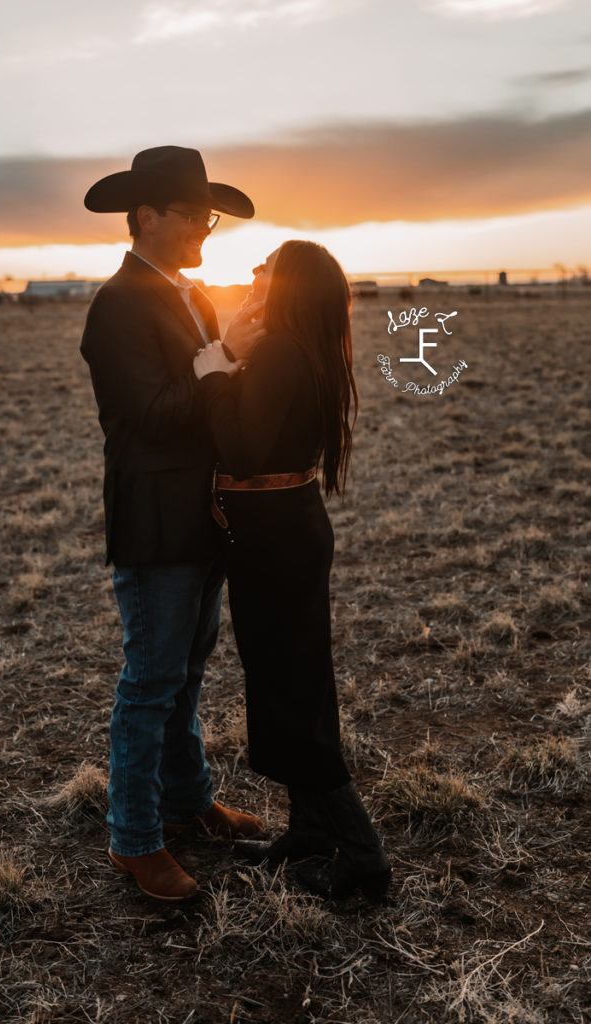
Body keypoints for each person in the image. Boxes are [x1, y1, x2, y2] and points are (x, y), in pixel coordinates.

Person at [80, 146, 266, 902]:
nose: (206, 230)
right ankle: (134, 840)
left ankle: (188, 805)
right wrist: (226, 359)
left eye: (208, 216)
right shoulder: (117, 304)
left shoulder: (189, 293)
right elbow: (151, 418)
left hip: (201, 513)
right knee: (151, 682)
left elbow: (210, 400)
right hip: (155, 522)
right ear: (149, 216)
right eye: (195, 216)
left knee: (186, 675)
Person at [192, 240, 391, 902]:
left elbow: (242, 450)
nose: (252, 271)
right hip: (285, 530)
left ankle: (362, 857)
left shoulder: (278, 351)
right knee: (291, 685)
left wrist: (214, 367)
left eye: (266, 266)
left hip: (274, 537)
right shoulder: (293, 344)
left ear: (291, 284)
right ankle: (307, 835)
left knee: (289, 694)